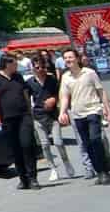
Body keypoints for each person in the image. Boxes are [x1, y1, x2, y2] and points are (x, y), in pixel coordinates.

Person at [59, 46, 110, 185]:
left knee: (95, 140)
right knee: (87, 144)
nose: (68, 60)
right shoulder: (65, 77)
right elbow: (64, 96)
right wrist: (62, 112)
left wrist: (108, 112)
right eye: (65, 58)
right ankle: (99, 171)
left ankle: (104, 170)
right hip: (77, 114)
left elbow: (101, 92)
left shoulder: (89, 73)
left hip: (93, 110)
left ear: (77, 58)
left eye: (70, 57)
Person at [0, 51, 40, 189]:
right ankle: (23, 179)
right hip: (7, 119)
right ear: (7, 64)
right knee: (15, 149)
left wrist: (30, 112)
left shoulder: (18, 77)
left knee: (27, 145)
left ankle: (33, 177)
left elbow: (25, 94)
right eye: (15, 63)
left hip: (23, 116)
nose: (17, 65)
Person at [27, 54, 79, 182]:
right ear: (32, 68)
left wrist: (54, 100)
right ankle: (53, 169)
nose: (41, 69)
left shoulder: (52, 79)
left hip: (52, 116)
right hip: (38, 116)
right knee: (45, 145)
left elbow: (60, 94)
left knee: (58, 142)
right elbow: (27, 100)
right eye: (37, 67)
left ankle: (66, 163)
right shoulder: (29, 82)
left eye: (43, 66)